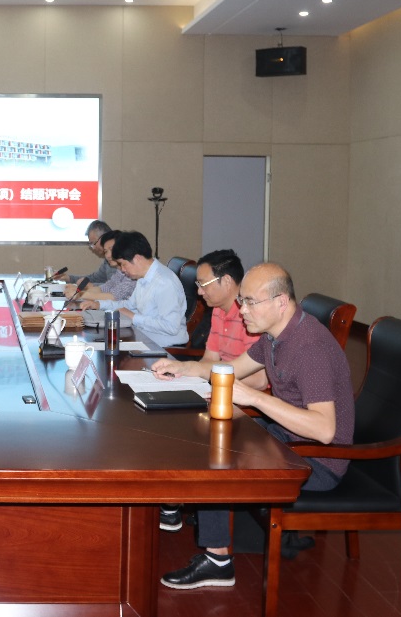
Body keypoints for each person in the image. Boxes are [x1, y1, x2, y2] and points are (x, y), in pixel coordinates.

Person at [155, 263, 355, 590]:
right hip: (290, 441)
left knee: (218, 457)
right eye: (241, 300)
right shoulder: (276, 336)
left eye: (250, 302)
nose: (241, 310)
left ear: (281, 302)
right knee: (212, 435)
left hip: (318, 461)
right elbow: (231, 369)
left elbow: (324, 430)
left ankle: (218, 560)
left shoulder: (309, 347)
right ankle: (198, 528)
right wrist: (183, 368)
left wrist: (254, 398)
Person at [149, 249, 258, 533]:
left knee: (186, 431)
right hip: (219, 389)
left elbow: (257, 380)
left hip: (246, 404)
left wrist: (197, 373)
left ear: (227, 281)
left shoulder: (252, 315)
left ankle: (191, 518)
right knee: (161, 417)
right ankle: (172, 501)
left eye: (203, 284)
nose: (198, 292)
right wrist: (182, 369)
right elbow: (210, 360)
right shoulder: (219, 311)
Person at [78, 231, 187, 347]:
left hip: (164, 346)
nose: (122, 270)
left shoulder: (164, 282)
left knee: (102, 345)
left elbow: (171, 327)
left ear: (137, 258)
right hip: (144, 336)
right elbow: (129, 305)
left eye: (123, 264)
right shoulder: (143, 277)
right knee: (95, 341)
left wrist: (134, 317)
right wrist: (98, 304)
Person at [67, 230, 136, 302]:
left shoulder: (132, 271)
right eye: (106, 252)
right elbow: (103, 288)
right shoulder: (119, 271)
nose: (108, 256)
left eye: (112, 249)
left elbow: (114, 297)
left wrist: (81, 294)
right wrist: (77, 290)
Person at [67, 220, 114, 285]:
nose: (93, 248)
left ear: (104, 237)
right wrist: (69, 278)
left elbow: (115, 287)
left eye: (93, 243)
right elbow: (95, 278)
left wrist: (88, 286)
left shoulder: (120, 256)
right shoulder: (107, 260)